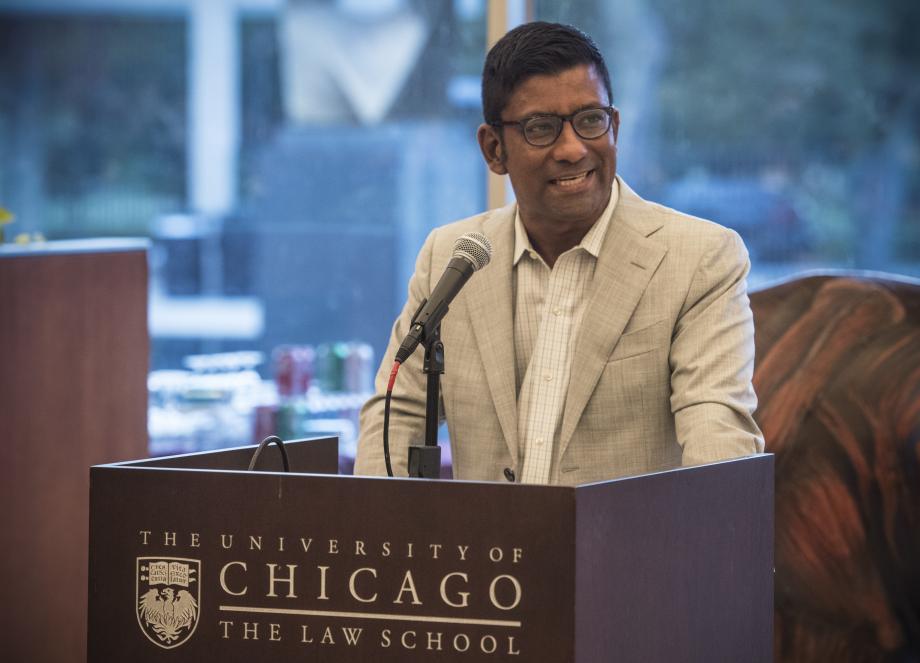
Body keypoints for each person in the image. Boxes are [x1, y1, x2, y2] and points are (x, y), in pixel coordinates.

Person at [354, 21, 764, 485]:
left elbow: (718, 439)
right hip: (488, 556)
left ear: (615, 127)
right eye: (541, 128)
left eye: (591, 120)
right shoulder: (453, 258)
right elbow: (399, 413)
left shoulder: (700, 259)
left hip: (627, 556)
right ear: (494, 149)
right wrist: (392, 540)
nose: (573, 149)